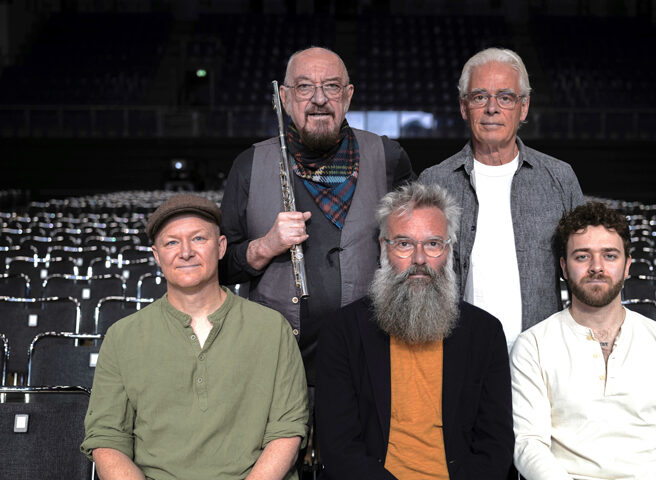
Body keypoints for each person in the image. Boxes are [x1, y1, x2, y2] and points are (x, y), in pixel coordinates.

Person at [220, 46, 414, 383]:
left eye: (332, 87)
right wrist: (265, 246)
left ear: (348, 95)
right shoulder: (249, 165)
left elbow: (414, 250)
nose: (319, 99)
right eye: (304, 87)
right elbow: (220, 267)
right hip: (276, 363)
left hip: (367, 358)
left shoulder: (389, 157)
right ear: (284, 97)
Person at [82, 194, 308, 480]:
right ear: (156, 255)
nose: (185, 252)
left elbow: (288, 429)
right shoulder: (122, 336)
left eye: (199, 239)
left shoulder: (272, 328)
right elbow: (107, 439)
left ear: (221, 247)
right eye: (172, 242)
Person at [315, 182, 514, 479]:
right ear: (384, 248)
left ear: (448, 250)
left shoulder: (484, 334)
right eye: (404, 244)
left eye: (432, 244)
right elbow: (338, 448)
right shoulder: (342, 331)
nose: (419, 259)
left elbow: (495, 446)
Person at [510, 202, 656, 480]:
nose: (597, 267)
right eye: (582, 257)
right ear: (564, 267)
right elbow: (528, 443)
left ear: (627, 265)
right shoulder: (532, 346)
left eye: (609, 255)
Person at [419, 47, 584, 348]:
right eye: (480, 97)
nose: (492, 108)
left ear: (523, 108)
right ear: (463, 107)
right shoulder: (433, 182)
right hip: (460, 360)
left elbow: (583, 275)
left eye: (505, 97)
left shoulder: (560, 179)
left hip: (541, 362)